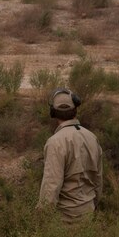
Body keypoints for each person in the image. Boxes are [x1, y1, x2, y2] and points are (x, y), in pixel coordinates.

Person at [37, 88, 103, 223]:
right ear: (76, 110)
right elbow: (98, 180)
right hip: (88, 217)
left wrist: (41, 219)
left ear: (53, 113)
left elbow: (51, 186)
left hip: (64, 221)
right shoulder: (92, 138)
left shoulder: (55, 142)